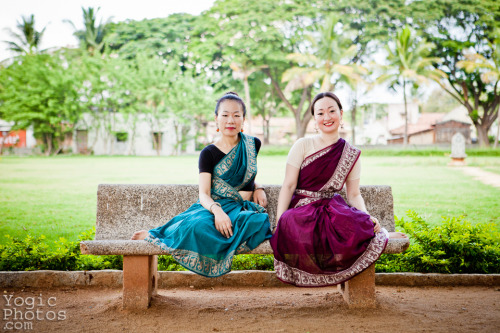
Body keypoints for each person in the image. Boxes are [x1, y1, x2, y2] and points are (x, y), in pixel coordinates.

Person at [270, 92, 406, 287]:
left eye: (332, 111)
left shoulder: (351, 153)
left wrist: (367, 217)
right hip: (302, 209)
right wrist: (279, 221)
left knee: (355, 222)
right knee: (292, 221)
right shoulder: (302, 145)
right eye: (320, 113)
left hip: (330, 208)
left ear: (341, 114)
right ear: (315, 119)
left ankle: (380, 233)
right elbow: (289, 185)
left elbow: (354, 194)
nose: (327, 117)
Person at [131, 92, 272, 277]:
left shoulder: (253, 144)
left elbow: (246, 175)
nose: (231, 120)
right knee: (196, 226)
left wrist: (258, 186)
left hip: (240, 208)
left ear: (243, 119)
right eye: (225, 115)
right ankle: (153, 237)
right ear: (216, 119)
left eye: (237, 115)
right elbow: (204, 194)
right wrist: (218, 212)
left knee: (257, 220)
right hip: (214, 207)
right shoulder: (208, 153)